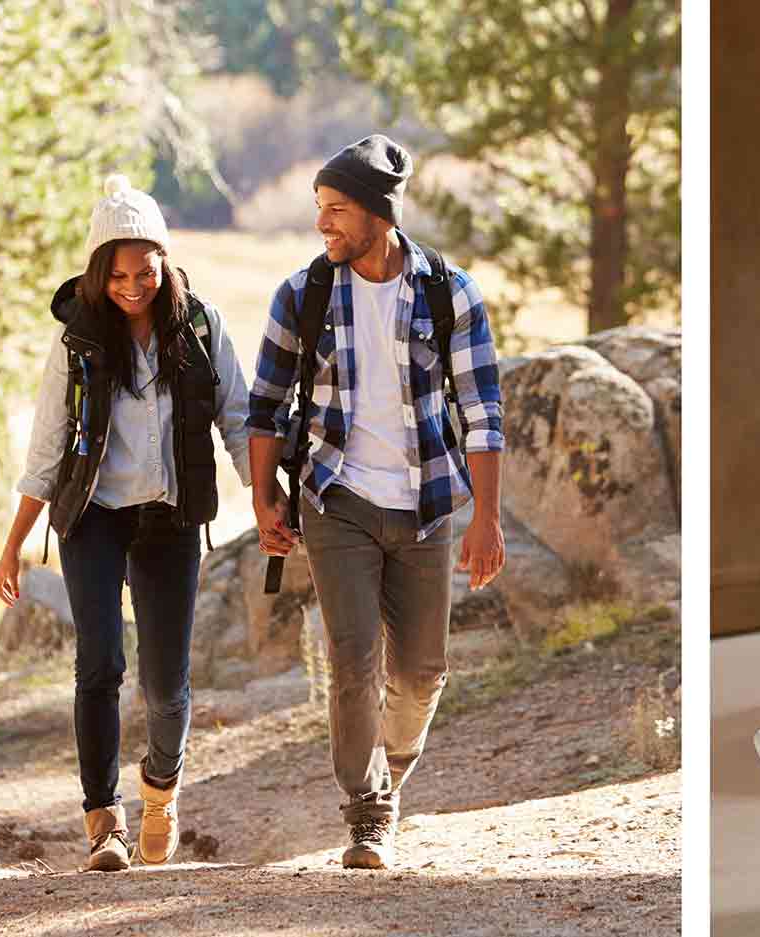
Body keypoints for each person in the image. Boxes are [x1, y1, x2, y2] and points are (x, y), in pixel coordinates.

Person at [247, 134, 508, 870]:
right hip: (337, 497)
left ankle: (387, 771)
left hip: (426, 503)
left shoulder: (447, 291)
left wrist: (485, 518)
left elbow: (483, 413)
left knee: (423, 671)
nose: (323, 223)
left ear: (378, 215)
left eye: (336, 210)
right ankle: (366, 811)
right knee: (353, 657)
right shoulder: (303, 294)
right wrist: (265, 500)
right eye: (320, 209)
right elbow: (264, 409)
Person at [0, 176, 256, 872]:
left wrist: (265, 497)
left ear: (165, 261)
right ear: (97, 271)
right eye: (118, 274)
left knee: (166, 685)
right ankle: (102, 820)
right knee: (100, 662)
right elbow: (47, 448)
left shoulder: (200, 328)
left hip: (170, 520)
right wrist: (14, 542)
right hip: (94, 518)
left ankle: (161, 791)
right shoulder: (77, 343)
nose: (133, 285)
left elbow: (238, 421)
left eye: (145, 271)